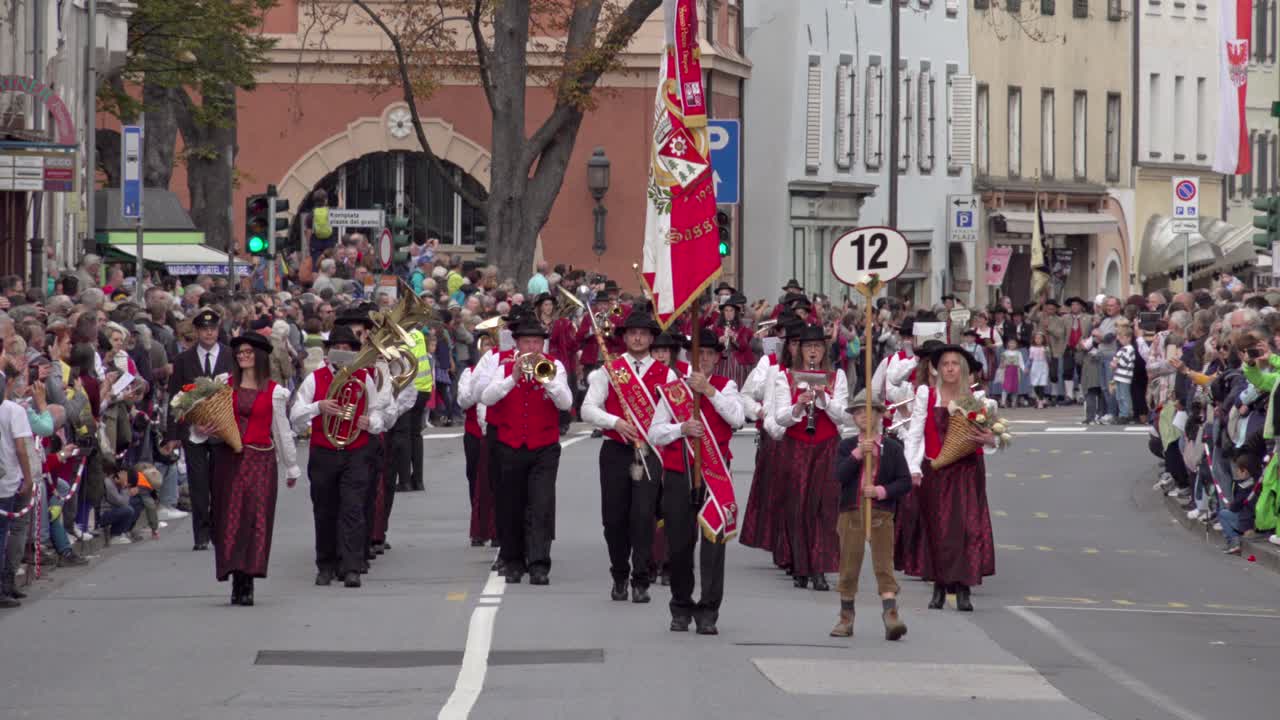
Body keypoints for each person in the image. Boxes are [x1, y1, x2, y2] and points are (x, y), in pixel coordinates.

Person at [648, 328, 744, 635]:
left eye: (709, 354)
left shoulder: (726, 386)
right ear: (689, 357)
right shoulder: (674, 389)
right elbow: (654, 432)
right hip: (679, 473)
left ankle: (708, 611)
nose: (703, 359)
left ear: (717, 358)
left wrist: (710, 393)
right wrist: (681, 429)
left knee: (714, 545)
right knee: (679, 544)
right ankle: (680, 606)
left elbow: (737, 419)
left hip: (714, 475)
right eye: (698, 354)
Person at [581, 311, 674, 603]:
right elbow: (587, 409)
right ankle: (619, 574)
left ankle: (640, 579)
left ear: (651, 338)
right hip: (615, 451)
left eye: (644, 333)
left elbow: (673, 413)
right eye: (632, 333)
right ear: (624, 337)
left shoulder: (666, 373)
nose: (638, 337)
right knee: (614, 518)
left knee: (644, 516)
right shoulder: (610, 369)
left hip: (649, 452)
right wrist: (615, 422)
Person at [290, 324, 388, 589]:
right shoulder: (315, 378)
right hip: (324, 452)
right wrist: (318, 407)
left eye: (348, 349)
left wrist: (373, 423)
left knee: (353, 508)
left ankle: (352, 566)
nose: (342, 353)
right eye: (338, 349)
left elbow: (380, 409)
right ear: (328, 351)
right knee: (324, 510)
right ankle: (326, 565)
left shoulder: (364, 377)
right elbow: (295, 415)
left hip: (356, 450)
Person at [207, 332, 300, 606]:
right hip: (230, 459)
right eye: (239, 353)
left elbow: (282, 431)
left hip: (260, 461)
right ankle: (235, 576)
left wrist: (291, 466)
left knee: (255, 519)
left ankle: (248, 578)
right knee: (229, 518)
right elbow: (209, 419)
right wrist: (201, 429)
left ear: (259, 356)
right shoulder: (224, 384)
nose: (243, 356)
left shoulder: (275, 392)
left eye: (248, 352)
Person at [903, 345, 998, 611]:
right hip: (936, 469)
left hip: (968, 471)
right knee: (939, 529)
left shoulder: (977, 399)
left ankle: (964, 587)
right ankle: (939, 586)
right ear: (937, 369)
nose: (950, 368)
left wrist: (990, 439)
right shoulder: (927, 394)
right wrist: (914, 468)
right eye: (945, 364)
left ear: (964, 369)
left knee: (967, 528)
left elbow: (994, 437)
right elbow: (916, 433)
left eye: (955, 363)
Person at [480, 316, 573, 584]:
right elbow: (487, 398)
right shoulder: (505, 366)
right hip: (510, 445)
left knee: (541, 505)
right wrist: (513, 378)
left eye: (537, 342)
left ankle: (539, 564)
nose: (532, 348)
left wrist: (548, 381)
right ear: (518, 344)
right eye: (527, 342)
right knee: (511, 505)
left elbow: (566, 403)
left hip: (544, 447)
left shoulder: (554, 366)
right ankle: (513, 561)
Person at [769, 324, 850, 591]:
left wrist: (823, 397)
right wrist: (800, 405)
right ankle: (800, 565)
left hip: (827, 445)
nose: (812, 351)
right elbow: (779, 417)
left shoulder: (836, 376)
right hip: (797, 446)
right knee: (798, 505)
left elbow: (844, 416)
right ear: (799, 350)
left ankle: (819, 568)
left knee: (824, 507)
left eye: (817, 346)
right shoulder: (785, 377)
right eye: (807, 347)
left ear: (823, 349)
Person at [830, 389, 910, 640]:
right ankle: (846, 617)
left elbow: (904, 481)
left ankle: (891, 615)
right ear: (853, 417)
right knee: (849, 565)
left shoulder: (892, 448)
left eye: (869, 411)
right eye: (858, 412)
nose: (864, 416)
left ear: (879, 415)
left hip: (880, 513)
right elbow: (839, 477)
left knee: (883, 564)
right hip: (851, 512)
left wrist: (881, 491)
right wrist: (856, 456)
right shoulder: (846, 446)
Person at [166, 308, 234, 551]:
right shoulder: (184, 360)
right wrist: (172, 435)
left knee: (221, 483)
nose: (208, 332)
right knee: (198, 483)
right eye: (204, 329)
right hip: (194, 430)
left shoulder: (230, 355)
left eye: (213, 328)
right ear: (196, 332)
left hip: (222, 430)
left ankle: (219, 530)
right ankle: (201, 534)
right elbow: (175, 398)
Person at [457, 334, 496, 547]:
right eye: (485, 346)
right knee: (474, 477)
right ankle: (479, 525)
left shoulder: (500, 372)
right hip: (473, 432)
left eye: (491, 345)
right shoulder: (469, 373)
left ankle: (495, 526)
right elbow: (463, 401)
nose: (488, 350)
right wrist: (478, 384)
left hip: (494, 432)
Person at [1111, 326, 1137, 424]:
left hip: (1124, 377)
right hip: (1119, 376)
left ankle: (1126, 414)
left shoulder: (1129, 349)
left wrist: (1116, 362)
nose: (1119, 339)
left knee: (1124, 396)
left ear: (1128, 337)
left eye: (1121, 337)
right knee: (1119, 396)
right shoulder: (1123, 349)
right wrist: (1115, 362)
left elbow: (1124, 362)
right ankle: (1122, 414)